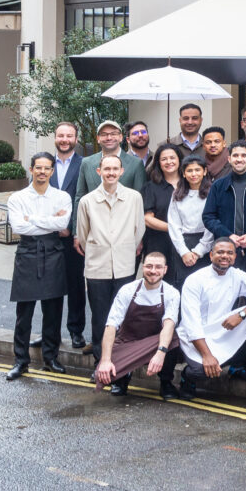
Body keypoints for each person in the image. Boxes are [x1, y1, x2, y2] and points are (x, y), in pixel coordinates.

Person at [6, 152, 71, 379]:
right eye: (38, 168)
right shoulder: (17, 198)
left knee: (53, 311)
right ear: (31, 169)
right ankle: (20, 361)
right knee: (24, 313)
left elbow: (62, 224)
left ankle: (51, 358)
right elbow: (18, 227)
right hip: (27, 252)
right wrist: (50, 222)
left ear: (52, 171)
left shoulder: (62, 197)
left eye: (47, 168)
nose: (42, 172)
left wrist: (31, 219)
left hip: (53, 253)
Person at [76, 153, 146, 341]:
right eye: (107, 169)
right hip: (97, 266)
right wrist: (100, 247)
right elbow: (83, 234)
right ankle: (100, 355)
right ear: (99, 171)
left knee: (123, 314)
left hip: (124, 264)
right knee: (100, 315)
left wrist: (124, 247)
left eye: (115, 169)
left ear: (122, 171)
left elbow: (139, 229)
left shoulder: (134, 198)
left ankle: (121, 355)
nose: (111, 173)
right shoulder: (87, 201)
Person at [178, 239, 246, 395]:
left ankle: (238, 365)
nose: (225, 256)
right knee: (202, 370)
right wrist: (207, 356)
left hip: (222, 329)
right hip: (196, 336)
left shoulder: (237, 275)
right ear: (211, 255)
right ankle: (187, 377)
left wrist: (242, 314)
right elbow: (192, 324)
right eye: (220, 252)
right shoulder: (195, 280)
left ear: (235, 257)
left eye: (229, 253)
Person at [94, 251, 181, 397]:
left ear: (165, 269)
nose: (153, 271)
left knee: (173, 339)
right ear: (143, 267)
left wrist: (160, 353)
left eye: (158, 267)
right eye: (149, 266)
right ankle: (122, 379)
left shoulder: (171, 293)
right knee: (101, 376)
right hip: (127, 342)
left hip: (154, 343)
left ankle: (166, 382)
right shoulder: (128, 290)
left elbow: (169, 325)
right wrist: (105, 360)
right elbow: (111, 325)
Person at [202, 141, 246, 277]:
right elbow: (208, 217)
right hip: (225, 250)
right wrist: (228, 236)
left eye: (243, 155)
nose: (239, 159)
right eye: (235, 156)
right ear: (229, 159)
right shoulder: (218, 186)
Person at [51, 122, 85, 351]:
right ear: (55, 138)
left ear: (76, 139)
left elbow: (84, 199)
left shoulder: (85, 165)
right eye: (61, 135)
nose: (65, 139)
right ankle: (50, 333)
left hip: (74, 238)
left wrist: (71, 228)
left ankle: (76, 331)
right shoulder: (44, 164)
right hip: (49, 236)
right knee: (50, 287)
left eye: (69, 136)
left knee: (75, 286)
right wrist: (53, 225)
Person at [74, 120, 146, 208]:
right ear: (98, 138)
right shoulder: (87, 163)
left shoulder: (136, 164)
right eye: (104, 134)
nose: (109, 138)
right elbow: (80, 197)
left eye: (113, 134)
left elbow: (140, 200)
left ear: (121, 137)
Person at [167, 156, 215, 284]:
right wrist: (184, 252)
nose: (194, 174)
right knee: (184, 283)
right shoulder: (177, 194)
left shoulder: (213, 193)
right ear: (183, 173)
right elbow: (174, 225)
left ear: (204, 171)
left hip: (206, 244)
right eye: (189, 171)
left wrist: (199, 251)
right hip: (183, 244)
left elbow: (212, 223)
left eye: (197, 170)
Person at [142, 145, 184, 287]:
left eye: (172, 158)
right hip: (159, 243)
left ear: (179, 160)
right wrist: (174, 229)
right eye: (164, 159)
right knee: (158, 286)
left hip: (187, 243)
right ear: (158, 163)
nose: (169, 162)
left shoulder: (190, 184)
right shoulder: (150, 187)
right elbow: (148, 219)